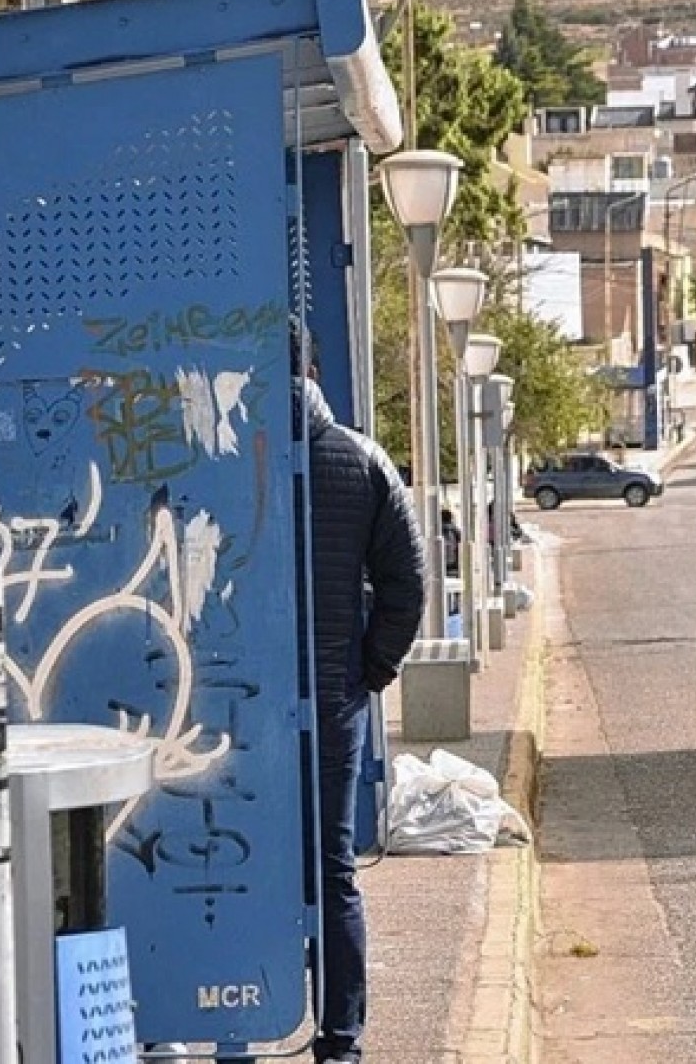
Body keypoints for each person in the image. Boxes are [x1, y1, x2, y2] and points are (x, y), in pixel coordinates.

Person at [299, 354, 426, 1064]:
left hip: (227, 706)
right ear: (316, 369)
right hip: (330, 698)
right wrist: (369, 670)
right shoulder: (362, 460)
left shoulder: (222, 444)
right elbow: (407, 582)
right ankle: (339, 1039)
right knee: (332, 865)